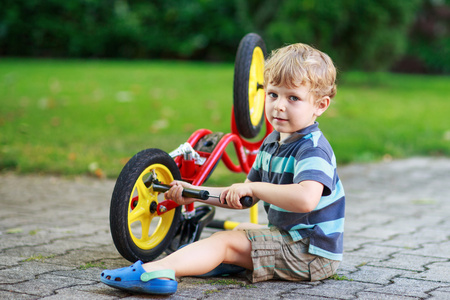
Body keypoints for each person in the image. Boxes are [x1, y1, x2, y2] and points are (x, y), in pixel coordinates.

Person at [100, 42, 345, 295]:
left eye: (293, 98)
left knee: (226, 241)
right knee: (240, 231)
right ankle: (216, 262)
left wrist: (256, 188)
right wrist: (192, 191)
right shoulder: (272, 143)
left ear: (320, 105)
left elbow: (306, 199)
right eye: (273, 94)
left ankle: (154, 272)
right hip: (292, 239)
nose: (279, 106)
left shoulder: (313, 148)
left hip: (311, 253)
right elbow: (242, 197)